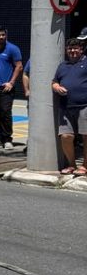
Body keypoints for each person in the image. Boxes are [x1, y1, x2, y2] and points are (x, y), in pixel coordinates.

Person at [52, 36, 87, 174]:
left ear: (81, 50)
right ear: (66, 50)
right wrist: (56, 87)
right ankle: (72, 165)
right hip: (65, 107)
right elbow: (54, 81)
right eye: (70, 48)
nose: (72, 51)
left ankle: (85, 166)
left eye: (75, 48)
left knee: (86, 136)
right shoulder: (62, 66)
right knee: (66, 136)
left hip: (84, 105)